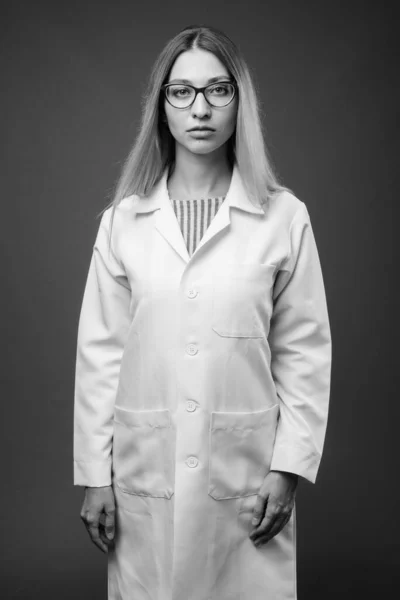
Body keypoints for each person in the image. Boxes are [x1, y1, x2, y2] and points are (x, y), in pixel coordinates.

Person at [73, 23, 332, 600]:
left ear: (240, 101)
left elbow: (304, 351)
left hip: (245, 479)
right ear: (161, 106)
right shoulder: (122, 223)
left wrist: (287, 469)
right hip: (146, 477)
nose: (201, 109)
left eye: (219, 90)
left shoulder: (284, 218)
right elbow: (100, 357)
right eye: (182, 91)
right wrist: (95, 477)